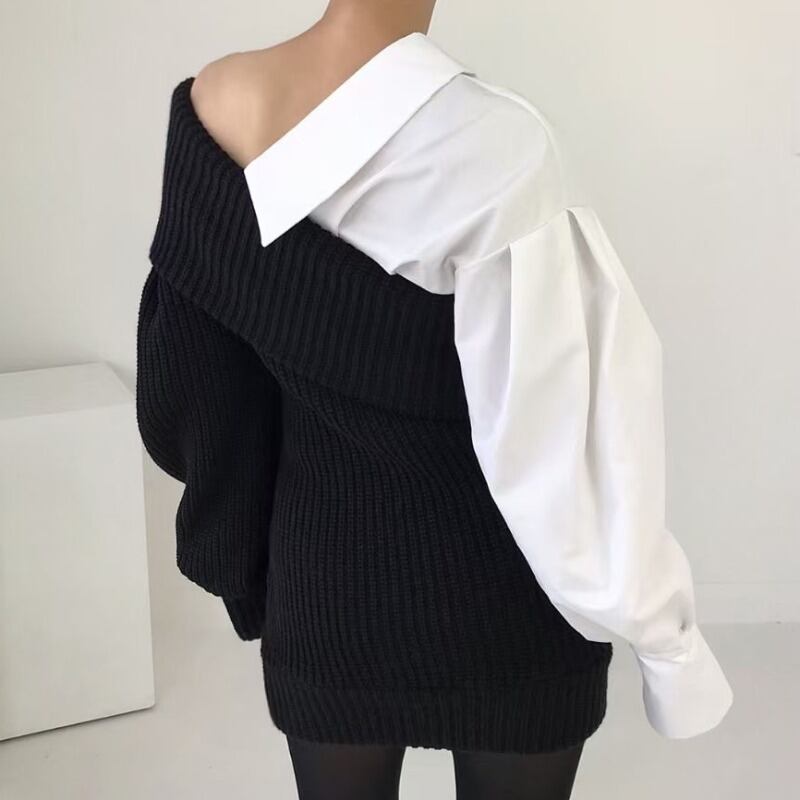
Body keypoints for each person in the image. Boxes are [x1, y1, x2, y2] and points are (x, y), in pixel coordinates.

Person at [135, 1, 733, 798]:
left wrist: (250, 576)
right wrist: (667, 645)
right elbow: (569, 450)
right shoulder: (504, 149)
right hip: (511, 619)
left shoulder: (217, 105)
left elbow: (188, 397)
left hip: (323, 602)